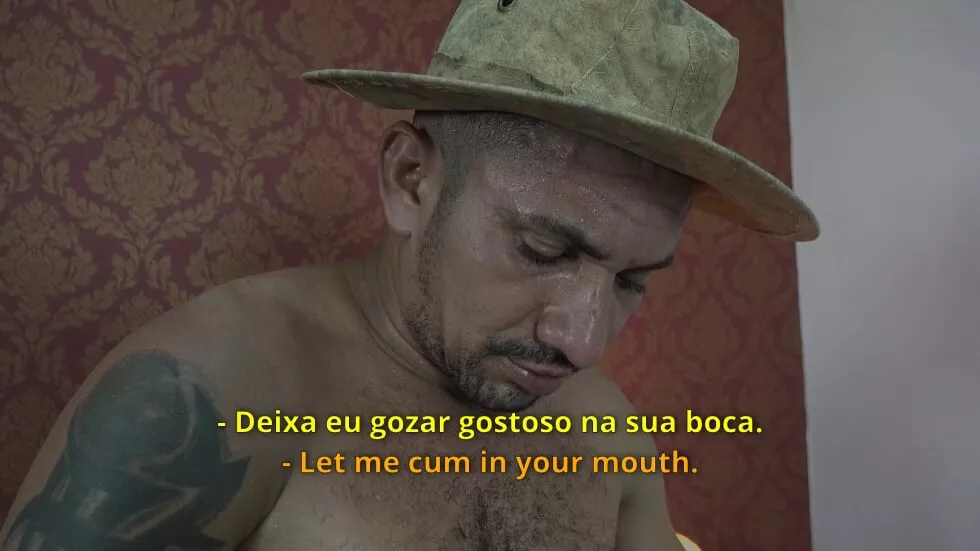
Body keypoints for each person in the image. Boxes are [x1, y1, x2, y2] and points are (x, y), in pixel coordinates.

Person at [0, 0, 818, 549]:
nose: (582, 341)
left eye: (632, 280)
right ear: (410, 179)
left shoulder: (607, 432)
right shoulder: (205, 396)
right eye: (543, 249)